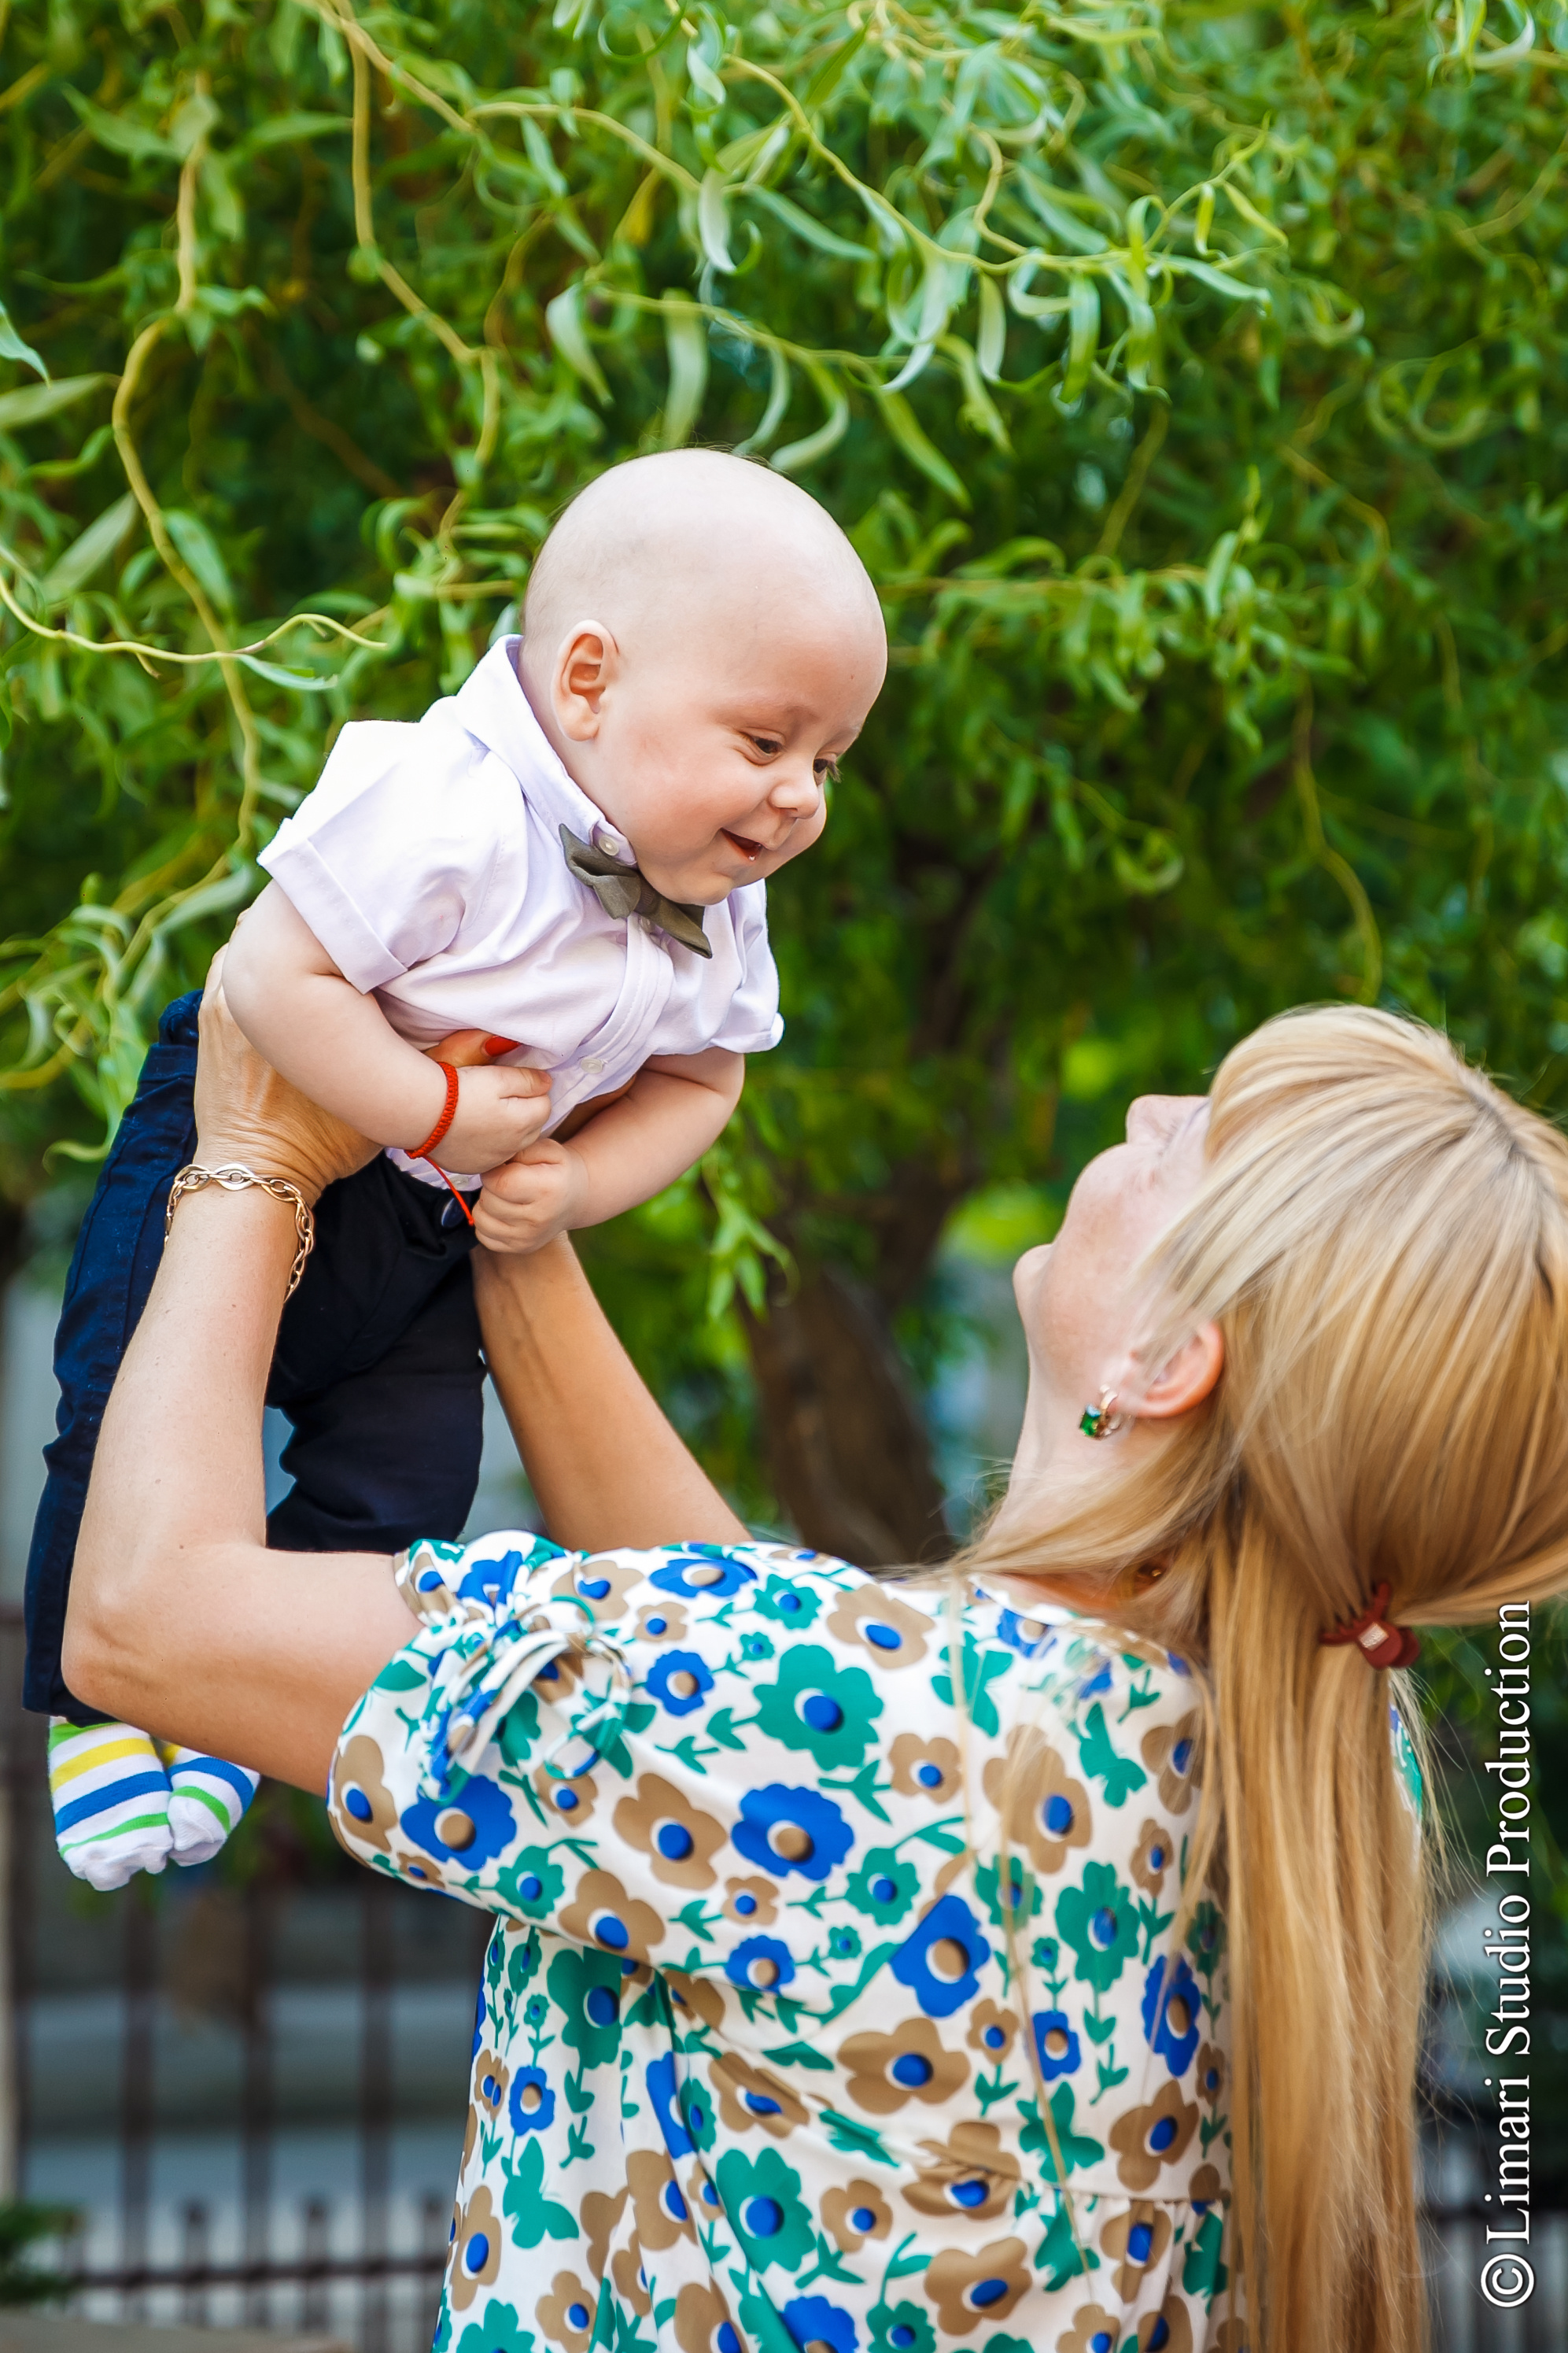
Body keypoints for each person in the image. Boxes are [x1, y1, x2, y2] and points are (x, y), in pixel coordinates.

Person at [61, 975, 1568, 2353]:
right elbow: (736, 1687)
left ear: (1170, 1357)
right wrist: (506, 1219)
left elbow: (140, 1614)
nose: (1141, 1113)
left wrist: (251, 1149)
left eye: (1192, 1138)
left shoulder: (849, 1719)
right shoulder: (1293, 1731)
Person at [28, 450, 887, 1889]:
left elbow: (706, 1076)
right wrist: (423, 1099)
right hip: (261, 1131)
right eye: (764, 742)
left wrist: (585, 1184)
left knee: (411, 1484)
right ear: (590, 681)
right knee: (121, 1406)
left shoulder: (718, 901)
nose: (798, 796)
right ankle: (90, 1700)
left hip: (435, 1224)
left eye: (829, 762)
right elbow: (270, 975)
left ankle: (236, 1677)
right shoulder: (444, 799)